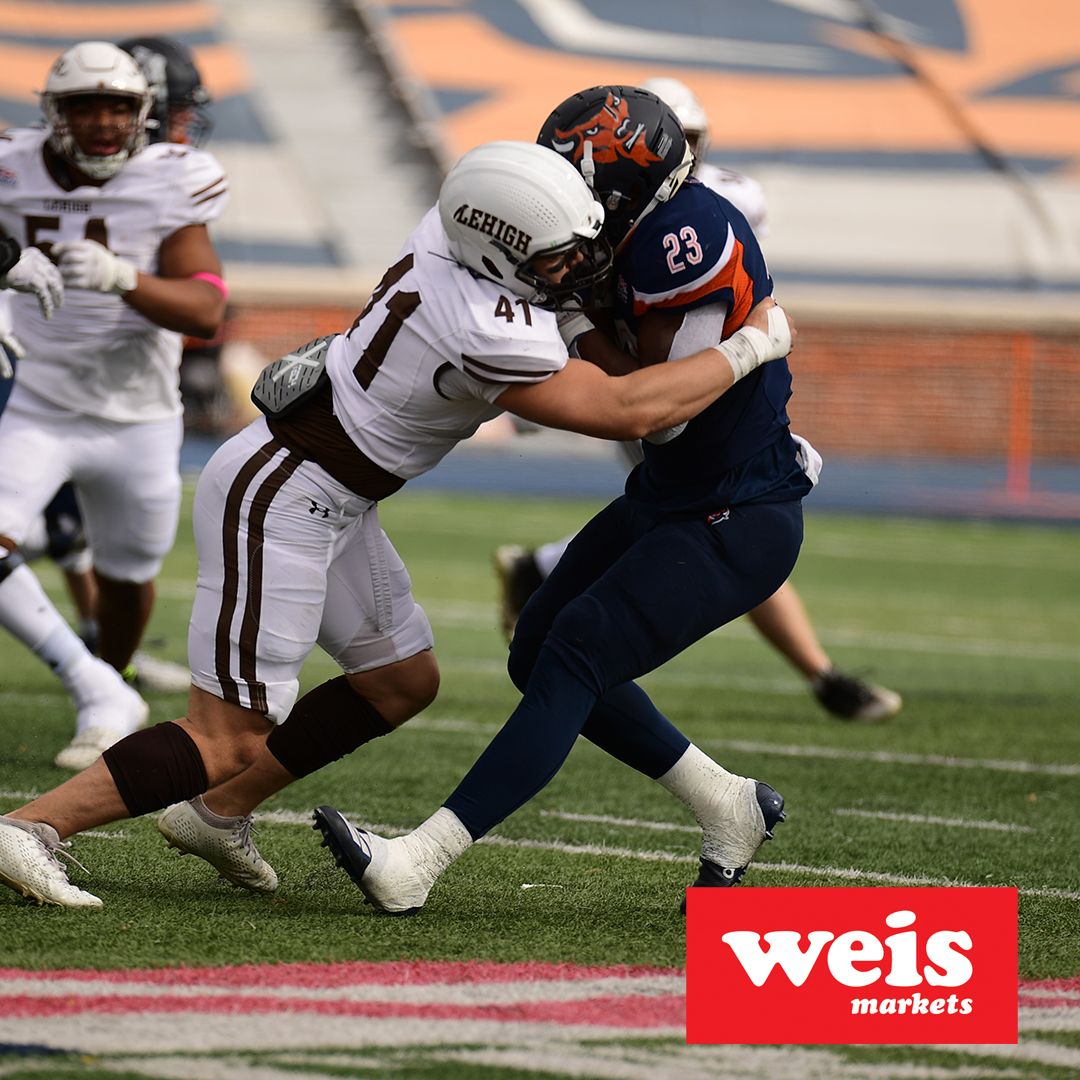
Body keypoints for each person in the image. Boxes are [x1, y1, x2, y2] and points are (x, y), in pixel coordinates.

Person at [0, 138, 795, 909]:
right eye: (554, 259)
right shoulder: (488, 326)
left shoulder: (450, 229)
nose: (574, 269)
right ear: (500, 258)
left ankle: (215, 811)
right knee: (227, 732)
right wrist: (751, 344)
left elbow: (509, 209)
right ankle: (34, 826)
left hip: (335, 492)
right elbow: (633, 409)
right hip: (283, 493)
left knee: (399, 682)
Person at [311, 86, 811, 916]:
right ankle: (728, 804)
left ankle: (419, 861)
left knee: (575, 650)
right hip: (673, 495)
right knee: (535, 644)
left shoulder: (683, 241)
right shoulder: (609, 230)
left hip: (737, 510)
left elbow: (663, 415)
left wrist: (577, 324)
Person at [494, 76, 901, 724]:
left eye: (689, 138)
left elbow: (720, 293)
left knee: (703, 515)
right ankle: (821, 676)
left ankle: (543, 567)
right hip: (651, 371)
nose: (680, 151)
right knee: (708, 511)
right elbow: (650, 400)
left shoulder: (722, 202)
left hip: (693, 363)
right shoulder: (598, 208)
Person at [0, 40, 230, 772]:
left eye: (118, 107)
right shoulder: (12, 167)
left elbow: (205, 310)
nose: (102, 122)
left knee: (129, 577)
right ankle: (95, 688)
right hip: (31, 403)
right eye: (84, 106)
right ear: (53, 114)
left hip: (138, 416)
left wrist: (123, 276)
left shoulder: (172, 180)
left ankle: (114, 681)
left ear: (143, 115)